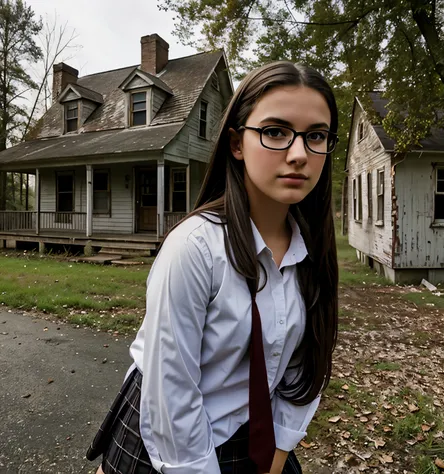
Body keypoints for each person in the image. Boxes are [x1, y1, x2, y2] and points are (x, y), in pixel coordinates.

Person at [86, 60, 339, 474]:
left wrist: (277, 456)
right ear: (237, 144)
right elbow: (172, 393)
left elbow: (305, 366)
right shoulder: (194, 248)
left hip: (254, 441)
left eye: (316, 136)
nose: (298, 154)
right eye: (275, 132)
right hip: (165, 442)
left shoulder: (312, 253)